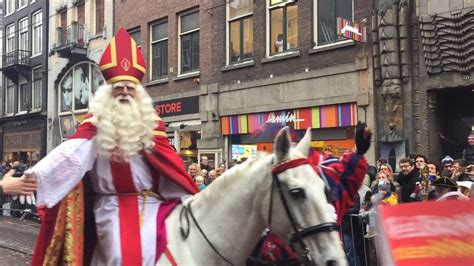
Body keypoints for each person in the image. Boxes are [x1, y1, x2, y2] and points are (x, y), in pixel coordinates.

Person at [29, 28, 199, 265]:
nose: (125, 92)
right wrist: (36, 175)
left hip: (152, 204)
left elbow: (170, 169)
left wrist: (189, 197)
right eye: (119, 86)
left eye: (131, 88)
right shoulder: (95, 124)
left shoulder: (151, 124)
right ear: (109, 91)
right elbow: (69, 157)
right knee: (122, 255)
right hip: (111, 206)